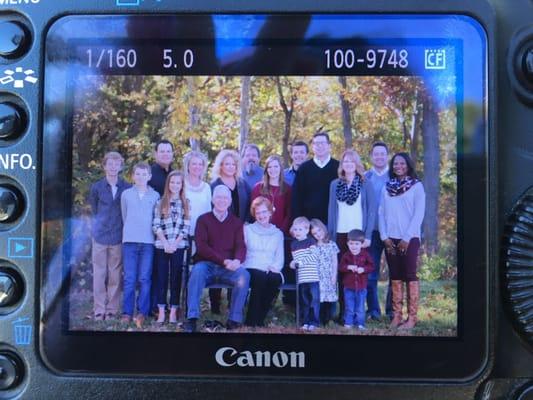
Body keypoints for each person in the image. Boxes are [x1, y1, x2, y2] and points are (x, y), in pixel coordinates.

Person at [184, 185, 250, 333]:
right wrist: (223, 261)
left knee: (244, 275)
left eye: (225, 198)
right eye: (219, 197)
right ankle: (192, 318)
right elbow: (202, 247)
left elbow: (241, 246)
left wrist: (237, 261)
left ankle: (234, 319)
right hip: (206, 264)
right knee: (197, 271)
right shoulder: (203, 220)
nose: (222, 200)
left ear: (230, 201)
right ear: (213, 199)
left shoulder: (236, 222)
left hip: (228, 268)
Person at [327, 148, 376, 323]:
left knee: (359, 275)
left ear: (357, 164)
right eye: (345, 162)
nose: (348, 164)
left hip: (358, 236)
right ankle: (344, 314)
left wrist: (368, 235)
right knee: (342, 274)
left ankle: (358, 315)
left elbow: (371, 211)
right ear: (342, 165)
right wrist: (330, 236)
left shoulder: (365, 183)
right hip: (340, 234)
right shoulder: (335, 184)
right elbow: (331, 211)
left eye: (351, 161)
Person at [379, 152, 426, 329]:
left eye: (402, 163)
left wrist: (407, 238)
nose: (398, 166)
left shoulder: (416, 187)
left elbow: (418, 214)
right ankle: (397, 316)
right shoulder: (386, 188)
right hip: (391, 238)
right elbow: (381, 213)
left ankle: (412, 318)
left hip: (410, 238)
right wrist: (385, 237)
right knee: (395, 275)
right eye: (395, 164)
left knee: (409, 274)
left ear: (408, 165)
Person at [88, 151, 131, 321]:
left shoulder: (127, 187)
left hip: (118, 235)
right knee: (99, 273)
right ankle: (99, 309)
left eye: (116, 164)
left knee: (115, 274)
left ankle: (112, 309)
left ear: (120, 166)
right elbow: (93, 211)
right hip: (99, 235)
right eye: (110, 164)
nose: (113, 167)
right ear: (104, 166)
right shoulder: (97, 187)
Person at [209, 149, 251, 314]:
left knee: (236, 265)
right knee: (219, 263)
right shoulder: (214, 185)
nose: (230, 166)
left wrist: (246, 221)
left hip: (239, 232)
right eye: (227, 163)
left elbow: (249, 205)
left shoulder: (242, 183)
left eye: (233, 164)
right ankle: (215, 305)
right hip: (218, 232)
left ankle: (232, 304)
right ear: (220, 165)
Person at [120, 162, 160, 327]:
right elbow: (124, 216)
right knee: (129, 278)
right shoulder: (126, 194)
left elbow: (156, 219)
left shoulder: (155, 196)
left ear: (149, 177)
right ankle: (127, 312)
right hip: (129, 241)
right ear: (133, 176)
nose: (141, 177)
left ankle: (142, 311)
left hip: (148, 242)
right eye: (137, 174)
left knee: (144, 278)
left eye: (144, 174)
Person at [152, 171, 190, 324]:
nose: (175, 185)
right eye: (172, 182)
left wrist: (174, 243)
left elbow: (185, 227)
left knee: (176, 277)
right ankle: (161, 310)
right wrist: (166, 242)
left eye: (178, 183)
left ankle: (174, 310)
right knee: (161, 277)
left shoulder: (186, 203)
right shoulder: (160, 202)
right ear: (168, 184)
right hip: (162, 245)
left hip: (178, 246)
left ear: (182, 185)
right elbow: (156, 225)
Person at [243, 197, 284, 327]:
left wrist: (274, 267)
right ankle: (251, 320)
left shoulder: (278, 233)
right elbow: (242, 252)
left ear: (270, 212)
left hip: (270, 267)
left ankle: (260, 317)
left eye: (264, 212)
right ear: (254, 214)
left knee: (274, 279)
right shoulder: (248, 229)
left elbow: (279, 257)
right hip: (251, 265)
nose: (261, 215)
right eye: (258, 213)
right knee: (260, 277)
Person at [365, 141, 392, 320]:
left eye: (383, 153)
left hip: (392, 232)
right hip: (372, 232)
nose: (380, 157)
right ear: (371, 157)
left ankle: (392, 311)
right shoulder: (365, 177)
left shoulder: (395, 176)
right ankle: (373, 310)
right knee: (370, 274)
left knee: (395, 273)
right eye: (376, 154)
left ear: (387, 155)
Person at [148, 139, 175, 315]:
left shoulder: (174, 174)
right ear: (156, 154)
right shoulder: (150, 173)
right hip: (154, 229)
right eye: (162, 151)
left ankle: (166, 307)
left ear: (172, 155)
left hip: (171, 231)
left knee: (167, 271)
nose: (165, 154)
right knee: (155, 271)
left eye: (168, 151)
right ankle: (153, 307)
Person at [292, 131, 339, 224]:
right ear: (312, 146)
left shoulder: (338, 167)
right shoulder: (304, 168)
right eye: (316, 143)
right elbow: (296, 198)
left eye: (322, 143)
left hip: (334, 221)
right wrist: (299, 221)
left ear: (329, 146)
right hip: (309, 223)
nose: (319, 146)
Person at [338, 229, 374, 330]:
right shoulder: (346, 255)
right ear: (347, 244)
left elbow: (371, 266)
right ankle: (348, 323)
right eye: (351, 243)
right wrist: (348, 267)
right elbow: (341, 267)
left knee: (360, 308)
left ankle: (360, 324)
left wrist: (364, 269)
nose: (353, 246)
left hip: (361, 287)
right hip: (348, 287)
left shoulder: (365, 255)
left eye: (357, 244)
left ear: (362, 244)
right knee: (349, 306)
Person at [290, 216, 320, 331]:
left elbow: (314, 255)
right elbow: (295, 259)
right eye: (295, 229)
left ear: (307, 230)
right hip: (302, 278)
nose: (297, 232)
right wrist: (293, 263)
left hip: (312, 278)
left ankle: (314, 322)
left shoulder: (311, 241)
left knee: (314, 301)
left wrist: (300, 262)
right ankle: (306, 322)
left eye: (300, 229)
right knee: (305, 302)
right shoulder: (293, 244)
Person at [251, 154, 292, 235]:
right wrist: (262, 229)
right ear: (266, 170)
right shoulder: (258, 188)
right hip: (261, 232)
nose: (272, 169)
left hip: (280, 232)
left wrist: (281, 231)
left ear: (280, 168)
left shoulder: (287, 189)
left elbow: (289, 213)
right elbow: (253, 211)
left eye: (276, 166)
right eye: (269, 167)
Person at [310, 219, 339, 326]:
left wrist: (334, 276)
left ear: (323, 228)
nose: (318, 234)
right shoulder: (313, 246)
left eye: (319, 231)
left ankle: (328, 319)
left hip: (329, 276)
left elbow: (334, 262)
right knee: (319, 298)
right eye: (314, 233)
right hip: (318, 276)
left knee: (329, 298)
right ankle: (319, 319)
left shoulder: (332, 244)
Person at [183, 150, 212, 253]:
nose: (197, 167)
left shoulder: (207, 187)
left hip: (201, 234)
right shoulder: (181, 184)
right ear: (188, 166)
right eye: (194, 163)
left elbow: (209, 212)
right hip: (183, 233)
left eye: (200, 164)